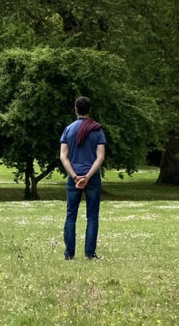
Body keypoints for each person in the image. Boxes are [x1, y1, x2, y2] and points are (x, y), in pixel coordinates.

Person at [59, 95, 106, 260]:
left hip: (73, 178)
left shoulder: (68, 129)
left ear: (75, 109)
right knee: (92, 216)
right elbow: (100, 158)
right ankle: (90, 254)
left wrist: (75, 176)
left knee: (71, 215)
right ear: (90, 110)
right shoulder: (97, 130)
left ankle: (69, 254)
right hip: (92, 178)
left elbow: (63, 156)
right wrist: (87, 177)